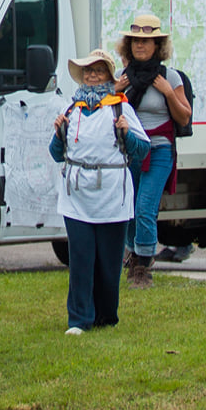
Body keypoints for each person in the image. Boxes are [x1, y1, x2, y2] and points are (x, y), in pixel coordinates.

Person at [51, 49, 150, 334]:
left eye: (98, 71)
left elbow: (142, 151)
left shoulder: (121, 108)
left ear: (109, 76)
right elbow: (57, 153)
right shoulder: (71, 110)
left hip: (111, 196)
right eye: (88, 72)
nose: (92, 76)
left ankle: (106, 315)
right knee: (81, 258)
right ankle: (79, 319)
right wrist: (59, 134)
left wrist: (127, 133)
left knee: (108, 260)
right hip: (77, 196)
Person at [116, 14, 190, 288]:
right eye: (136, 40)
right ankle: (135, 256)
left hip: (159, 150)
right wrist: (115, 90)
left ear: (158, 45)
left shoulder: (169, 77)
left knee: (145, 207)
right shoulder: (123, 77)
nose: (140, 46)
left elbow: (183, 118)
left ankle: (143, 267)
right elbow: (103, 114)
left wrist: (169, 93)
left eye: (147, 41)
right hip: (130, 150)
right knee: (129, 209)